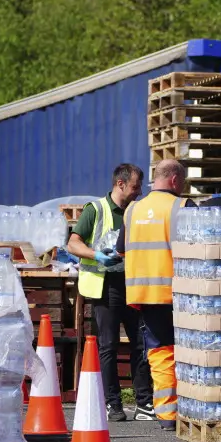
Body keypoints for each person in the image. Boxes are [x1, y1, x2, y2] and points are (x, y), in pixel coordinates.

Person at [66, 164, 153, 422]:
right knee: (109, 345)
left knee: (140, 343)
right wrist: (96, 255)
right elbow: (72, 243)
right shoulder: (96, 210)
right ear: (121, 184)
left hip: (133, 284)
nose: (139, 192)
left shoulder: (136, 212)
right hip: (106, 286)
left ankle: (144, 403)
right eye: (136, 187)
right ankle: (112, 404)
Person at [116, 159, 194, 430]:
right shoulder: (181, 207)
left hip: (143, 294)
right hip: (180, 294)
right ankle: (189, 408)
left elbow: (121, 250)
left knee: (159, 351)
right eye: (182, 182)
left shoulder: (132, 210)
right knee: (190, 352)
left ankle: (166, 414)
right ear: (174, 180)